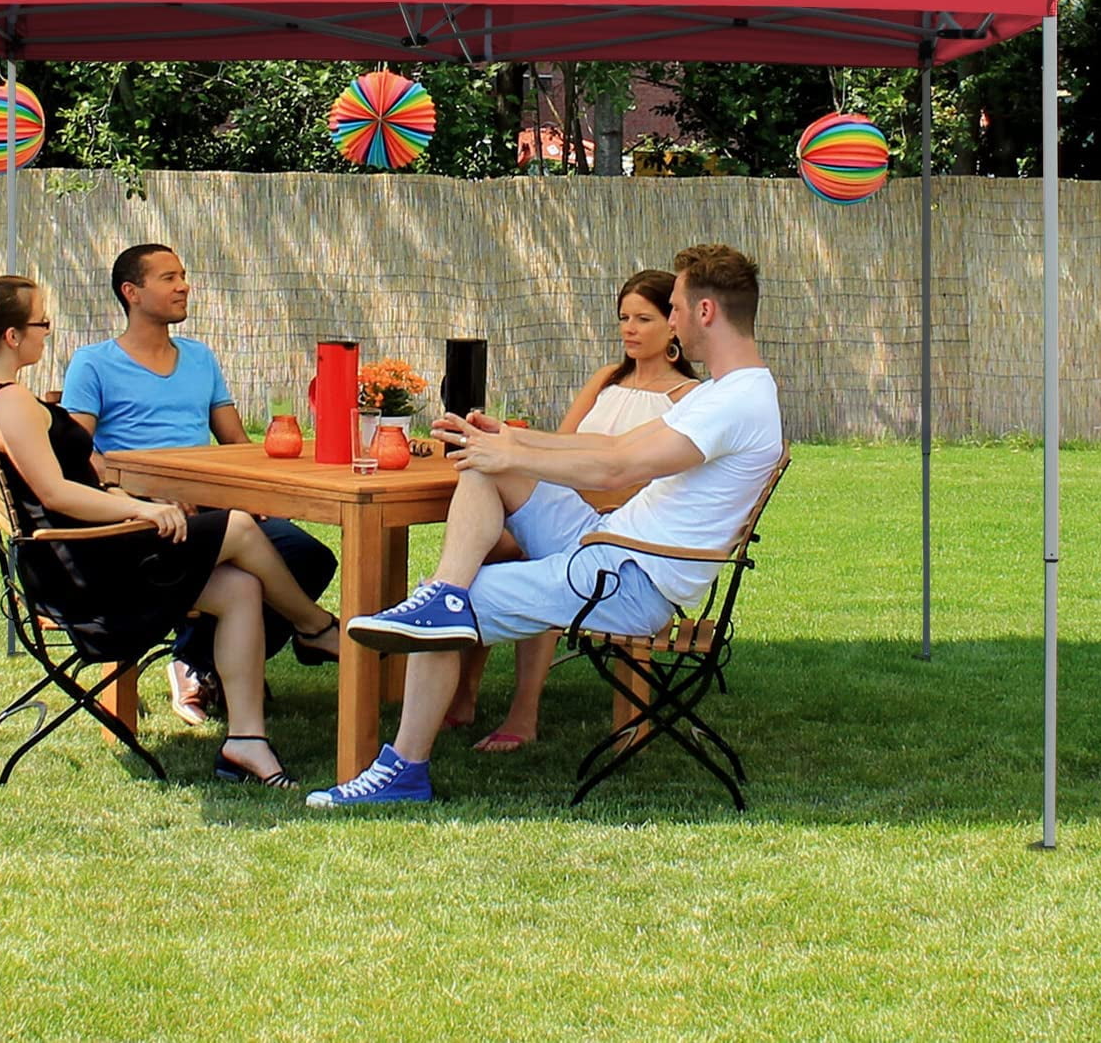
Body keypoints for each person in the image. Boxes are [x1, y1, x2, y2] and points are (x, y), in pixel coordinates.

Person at [306, 244, 781, 808]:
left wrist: (514, 453)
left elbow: (619, 468)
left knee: (445, 610)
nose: (671, 320)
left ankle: (403, 768)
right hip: (607, 546)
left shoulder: (734, 403)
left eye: (674, 308)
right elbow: (612, 445)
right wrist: (511, 441)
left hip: (629, 581)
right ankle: (445, 594)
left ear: (705, 312)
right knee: (485, 471)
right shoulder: (733, 390)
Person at [0, 275, 340, 791]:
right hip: (85, 570)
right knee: (238, 525)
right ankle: (315, 627)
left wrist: (130, 500)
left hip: (86, 553)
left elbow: (72, 480)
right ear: (12, 336)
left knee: (240, 587)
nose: (48, 332)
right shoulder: (10, 402)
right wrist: (142, 511)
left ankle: (246, 741)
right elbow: (55, 495)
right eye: (42, 323)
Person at [61, 244, 337, 726]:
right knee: (254, 565)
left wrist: (260, 492)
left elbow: (235, 441)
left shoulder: (199, 358)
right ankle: (304, 632)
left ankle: (198, 661)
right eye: (168, 278)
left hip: (213, 503)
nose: (183, 286)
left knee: (308, 555)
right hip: (147, 512)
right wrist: (142, 495)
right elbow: (77, 451)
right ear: (132, 292)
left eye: (183, 276)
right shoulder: (94, 363)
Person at [446, 269, 699, 753]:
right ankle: (463, 690)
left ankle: (523, 712)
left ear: (673, 324)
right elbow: (560, 444)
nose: (629, 329)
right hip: (565, 507)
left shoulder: (688, 398)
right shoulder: (607, 378)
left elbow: (654, 481)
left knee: (531, 557)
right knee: (485, 548)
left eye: (643, 319)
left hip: (618, 535)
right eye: (623, 318)